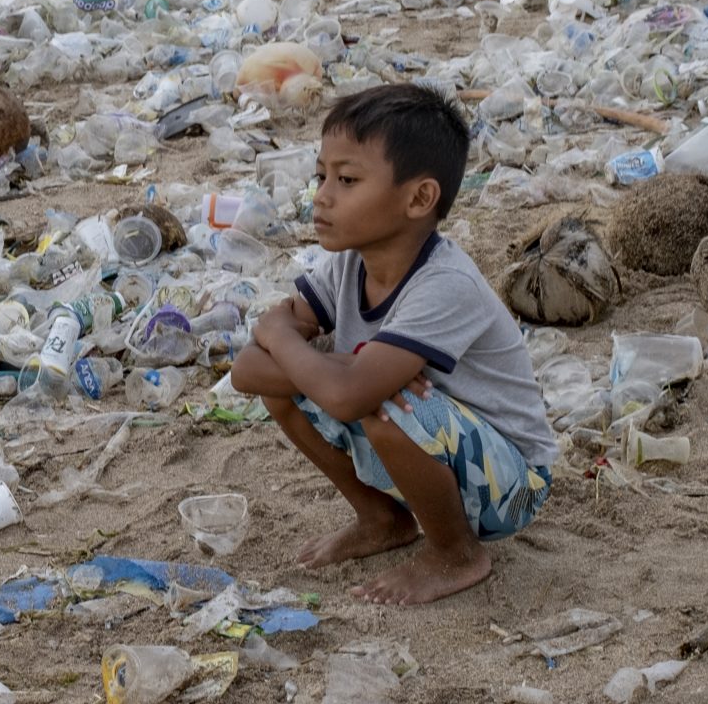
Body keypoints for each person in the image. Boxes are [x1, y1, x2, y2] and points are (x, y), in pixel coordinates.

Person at [227, 84, 556, 603]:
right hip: (420, 445)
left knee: (385, 405)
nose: (322, 196)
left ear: (420, 198)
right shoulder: (347, 265)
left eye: (348, 179)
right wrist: (337, 367)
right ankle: (383, 518)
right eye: (322, 176)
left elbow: (347, 394)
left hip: (510, 486)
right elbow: (246, 372)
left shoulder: (446, 284)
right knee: (290, 391)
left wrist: (282, 336)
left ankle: (457, 553)